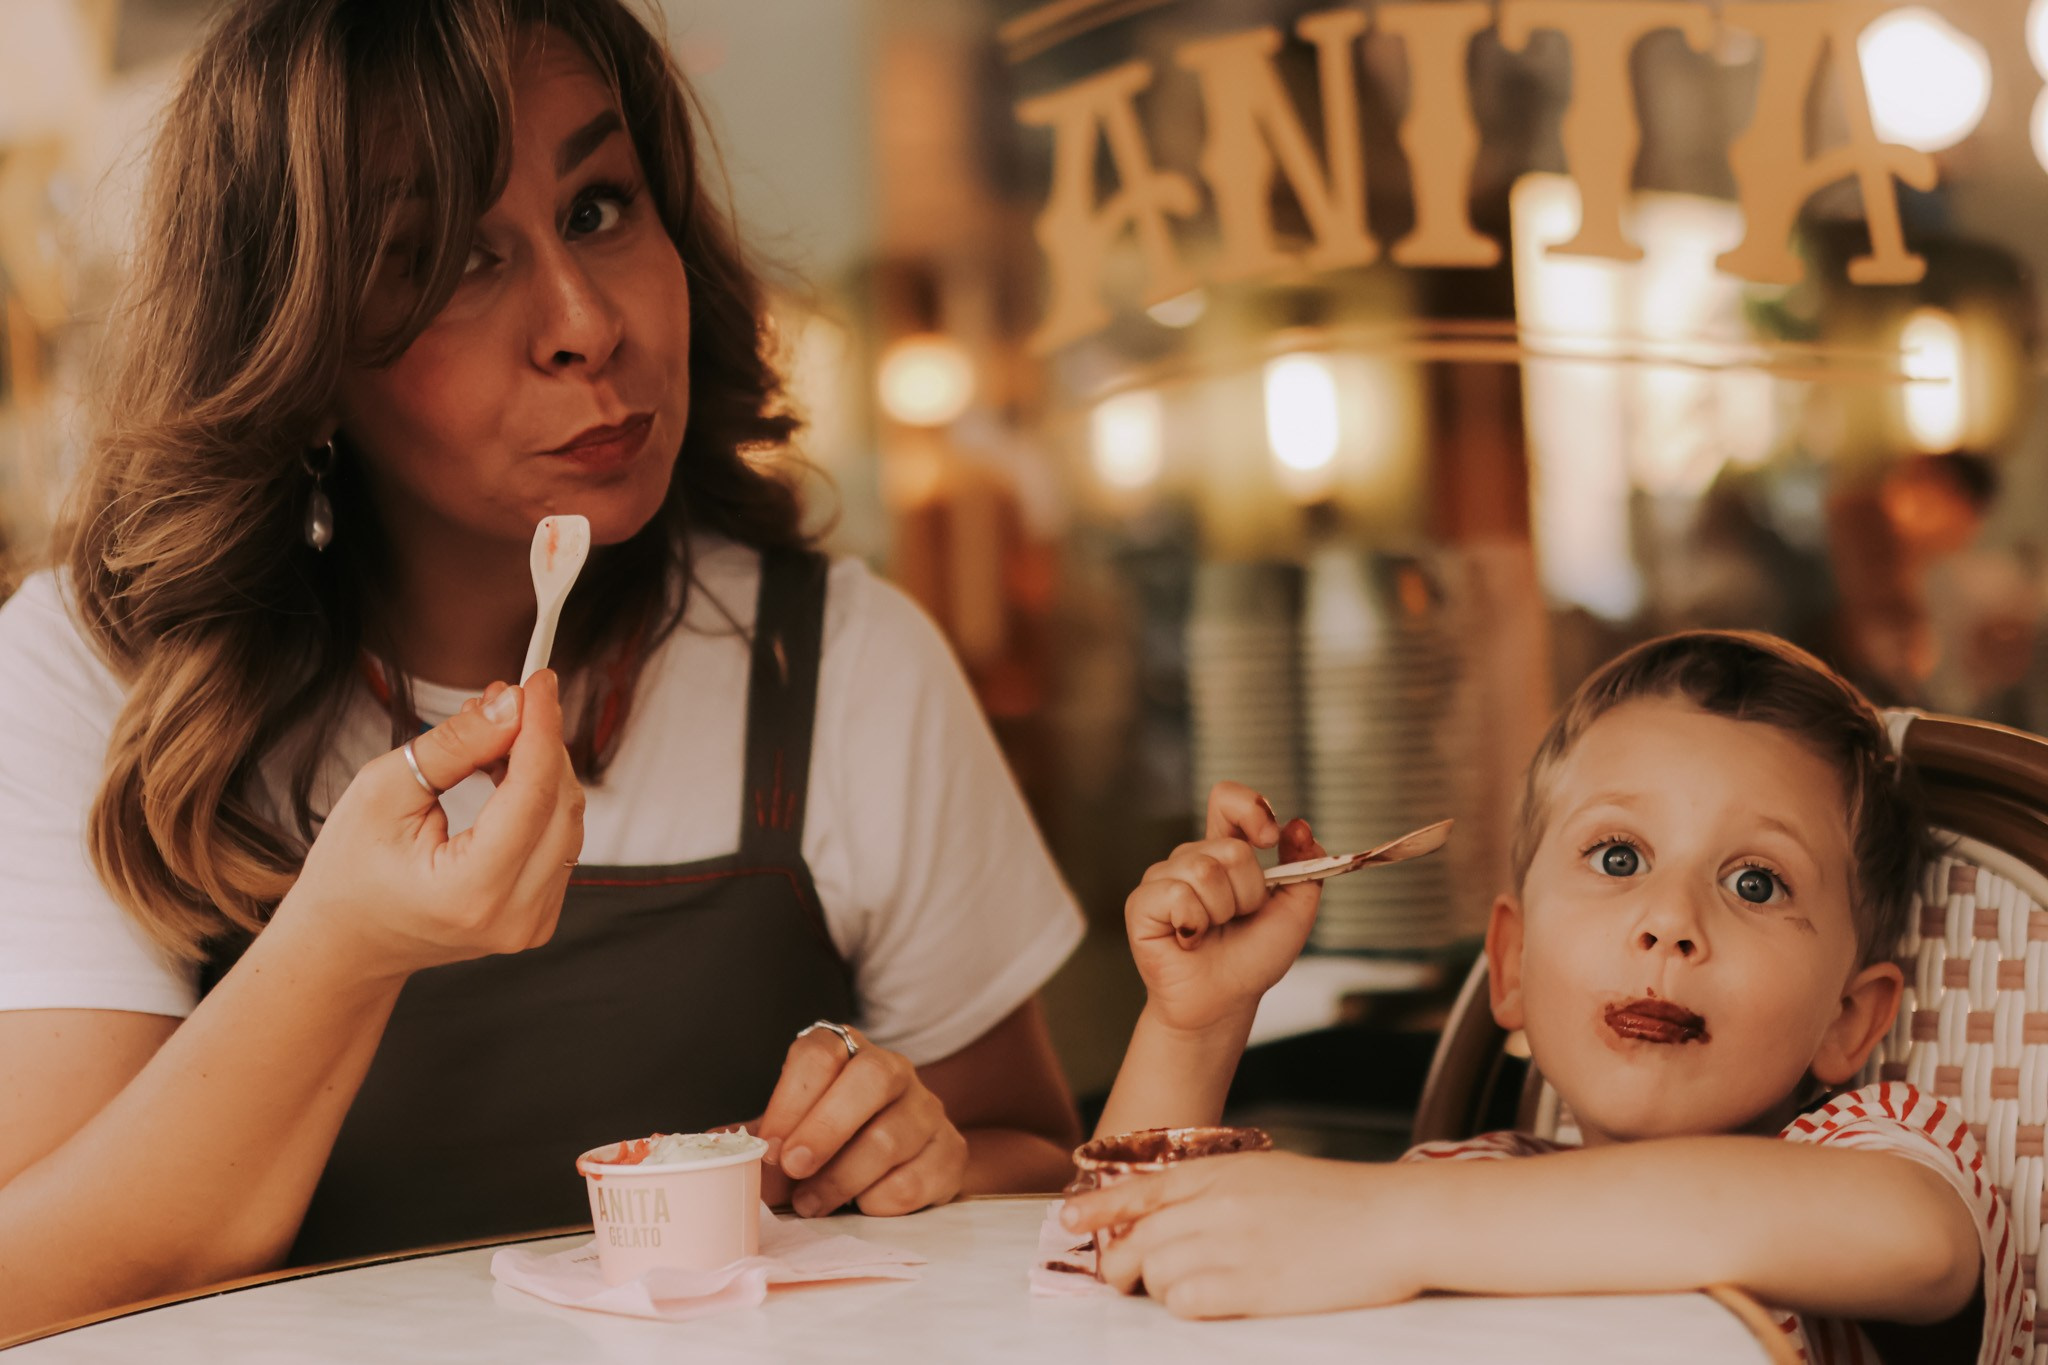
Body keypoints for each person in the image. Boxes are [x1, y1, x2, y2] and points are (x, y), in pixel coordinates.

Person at [0, 0, 1084, 1335]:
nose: (584, 322)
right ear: (299, 343)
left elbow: (1033, 1159)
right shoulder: (101, 674)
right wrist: (339, 950)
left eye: (599, 208)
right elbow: (31, 1288)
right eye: (453, 256)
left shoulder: (837, 660)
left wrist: (925, 1154)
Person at [1066, 632, 2028, 1363]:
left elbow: (1909, 1240)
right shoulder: (1461, 1173)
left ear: (1851, 1018)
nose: (1669, 920)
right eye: (1619, 857)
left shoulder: (1876, 1148)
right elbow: (1099, 1289)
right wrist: (1195, 1023)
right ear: (1513, 965)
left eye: (1756, 882)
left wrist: (1382, 1221)